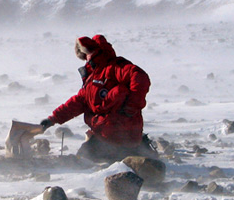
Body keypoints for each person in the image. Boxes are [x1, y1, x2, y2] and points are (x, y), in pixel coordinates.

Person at [40, 35, 156, 163]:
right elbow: (78, 102)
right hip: (106, 136)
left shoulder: (115, 67)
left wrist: (132, 106)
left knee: (84, 160)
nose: (86, 59)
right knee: (84, 157)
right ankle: (136, 152)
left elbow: (140, 77)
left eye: (86, 54)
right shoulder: (93, 77)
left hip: (118, 136)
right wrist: (53, 119)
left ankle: (133, 154)